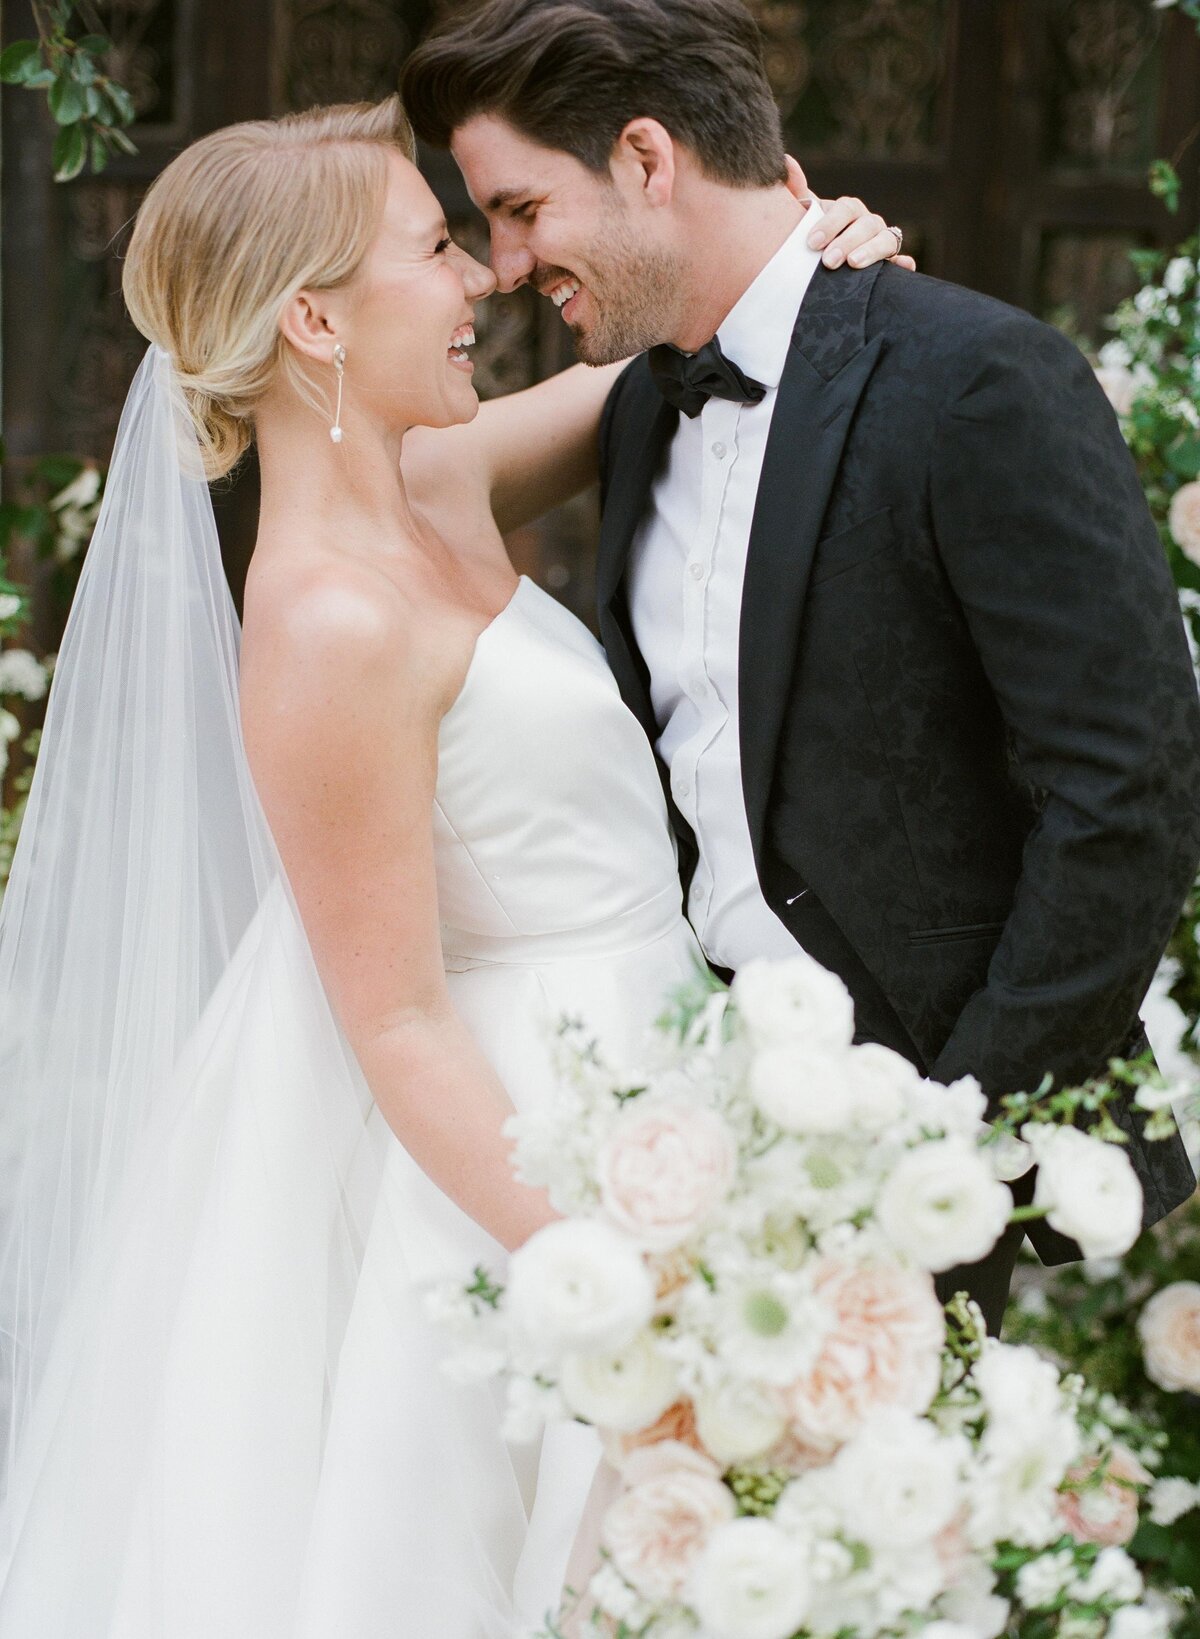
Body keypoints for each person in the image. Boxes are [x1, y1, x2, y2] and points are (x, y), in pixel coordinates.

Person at [0, 98, 901, 1637]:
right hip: (522, 1158)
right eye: (432, 247)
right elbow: (398, 1020)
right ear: (312, 320)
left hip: (658, 1066)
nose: (481, 277)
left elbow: (678, 372)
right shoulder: (326, 627)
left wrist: (804, 259)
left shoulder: (440, 475)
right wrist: (624, 1287)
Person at [402, 0, 1200, 1337]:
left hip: (926, 1140)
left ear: (649, 161)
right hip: (685, 1132)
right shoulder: (644, 403)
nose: (500, 261)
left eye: (521, 207)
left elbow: (1130, 796)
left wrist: (951, 1146)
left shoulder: (977, 379)